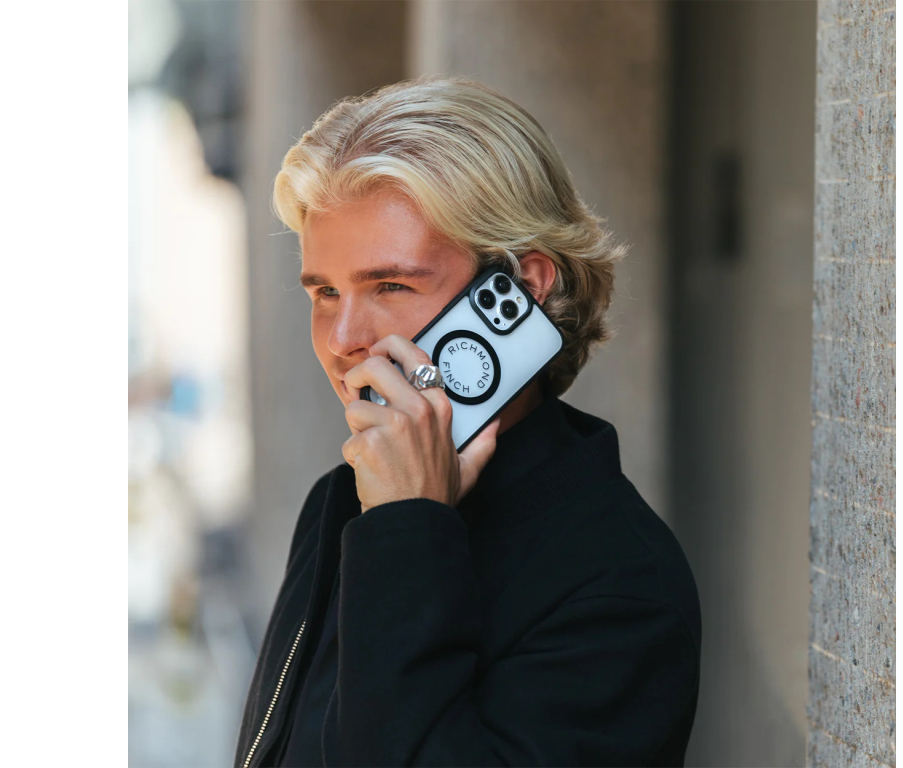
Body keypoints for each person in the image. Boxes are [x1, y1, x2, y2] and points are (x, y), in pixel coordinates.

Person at [233, 75, 701, 768]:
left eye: (390, 285)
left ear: (524, 287)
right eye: (325, 292)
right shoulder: (346, 499)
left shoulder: (620, 585)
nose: (343, 338)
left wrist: (408, 531)